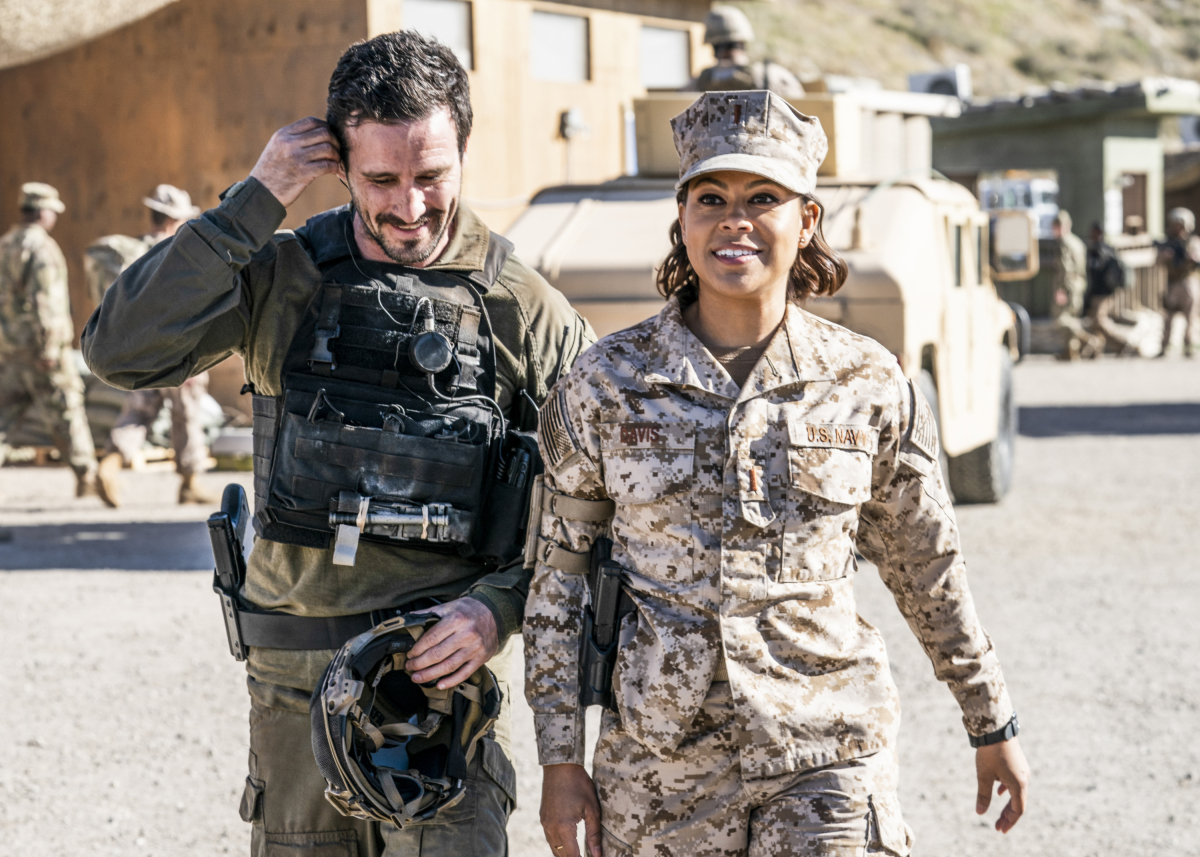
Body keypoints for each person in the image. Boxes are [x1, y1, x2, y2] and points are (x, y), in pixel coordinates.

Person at [83, 31, 593, 857]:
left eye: (432, 177)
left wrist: (497, 607)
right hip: (294, 693)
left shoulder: (522, 308)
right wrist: (256, 199)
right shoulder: (282, 274)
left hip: (443, 698)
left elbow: (593, 498)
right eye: (382, 180)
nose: (410, 207)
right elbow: (119, 350)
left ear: (464, 152)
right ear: (338, 164)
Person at [525, 90, 1030, 857]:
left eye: (763, 198)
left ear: (808, 218)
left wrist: (990, 720)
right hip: (660, 774)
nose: (735, 220)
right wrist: (560, 761)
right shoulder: (605, 382)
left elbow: (927, 564)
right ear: (682, 217)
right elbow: (559, 576)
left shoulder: (867, 382)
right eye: (711, 198)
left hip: (827, 750)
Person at [92, 185, 217, 505]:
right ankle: (190, 482)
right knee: (187, 414)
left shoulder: (135, 253)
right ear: (174, 219)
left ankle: (110, 463)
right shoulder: (176, 252)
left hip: (141, 351)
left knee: (139, 411)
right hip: (178, 350)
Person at [0, 182, 111, 504]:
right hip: (39, 350)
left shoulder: (5, 244)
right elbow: (45, 300)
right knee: (66, 408)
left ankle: (86, 477)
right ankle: (87, 477)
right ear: (43, 212)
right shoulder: (41, 248)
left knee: (3, 416)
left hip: (9, 348)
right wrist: (49, 347)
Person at [692, 6, 804, 98]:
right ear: (743, 42)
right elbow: (803, 110)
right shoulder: (775, 76)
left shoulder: (699, 82)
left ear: (712, 46)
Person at [1050, 210, 1101, 360]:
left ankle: (1091, 340)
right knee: (1072, 317)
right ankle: (1071, 352)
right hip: (1079, 284)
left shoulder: (1064, 243)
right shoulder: (1077, 242)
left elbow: (1065, 268)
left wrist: (1061, 290)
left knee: (1062, 319)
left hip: (1068, 286)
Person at [1084, 221, 1135, 355]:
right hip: (1095, 292)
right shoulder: (1093, 250)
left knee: (1098, 319)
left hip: (1104, 292)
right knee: (1094, 321)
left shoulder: (1104, 250)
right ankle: (1096, 349)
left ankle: (1123, 343)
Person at [1156, 207, 1200, 358]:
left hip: (1188, 282)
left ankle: (1189, 346)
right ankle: (1164, 346)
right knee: (1168, 317)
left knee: (1190, 317)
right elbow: (1157, 260)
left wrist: (1193, 257)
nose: (1177, 228)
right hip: (1173, 282)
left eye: (1179, 224)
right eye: (1174, 224)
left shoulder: (1193, 242)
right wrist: (1164, 256)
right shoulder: (1168, 243)